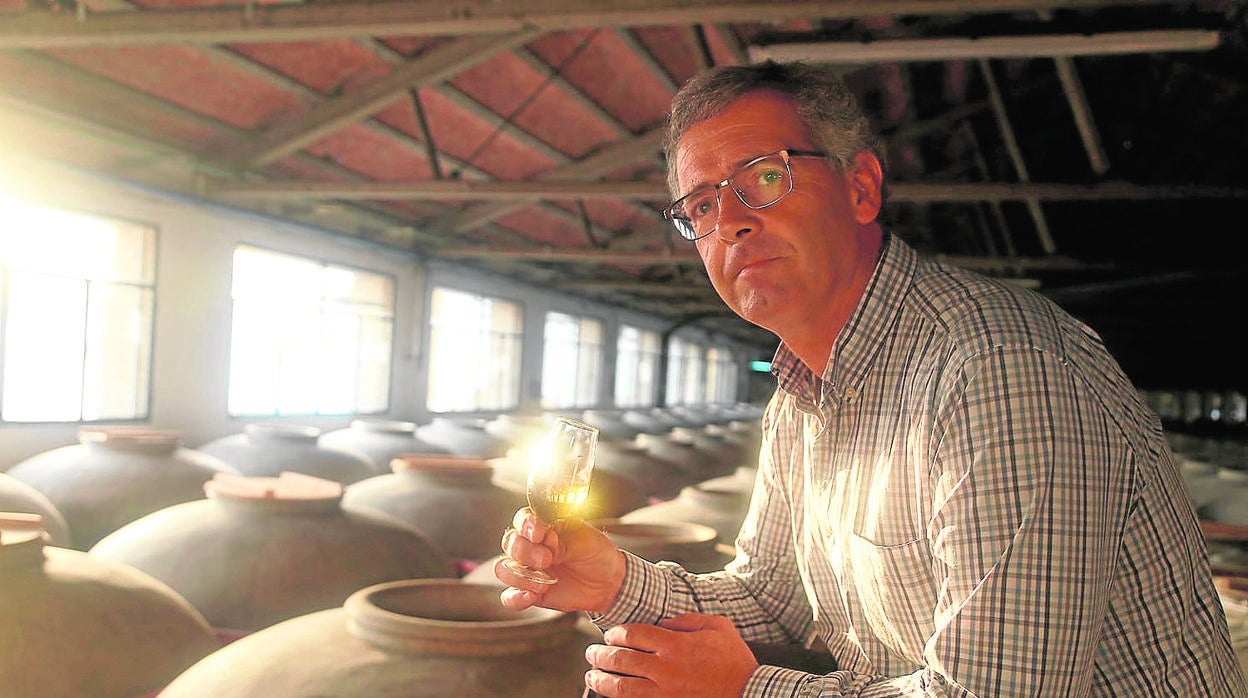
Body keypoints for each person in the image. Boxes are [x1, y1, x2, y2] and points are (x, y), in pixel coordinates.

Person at [495, 60, 1248, 697]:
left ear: (861, 188)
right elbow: (775, 600)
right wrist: (615, 583)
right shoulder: (799, 399)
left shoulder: (997, 369)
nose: (729, 220)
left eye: (763, 176)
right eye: (700, 205)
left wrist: (747, 688)